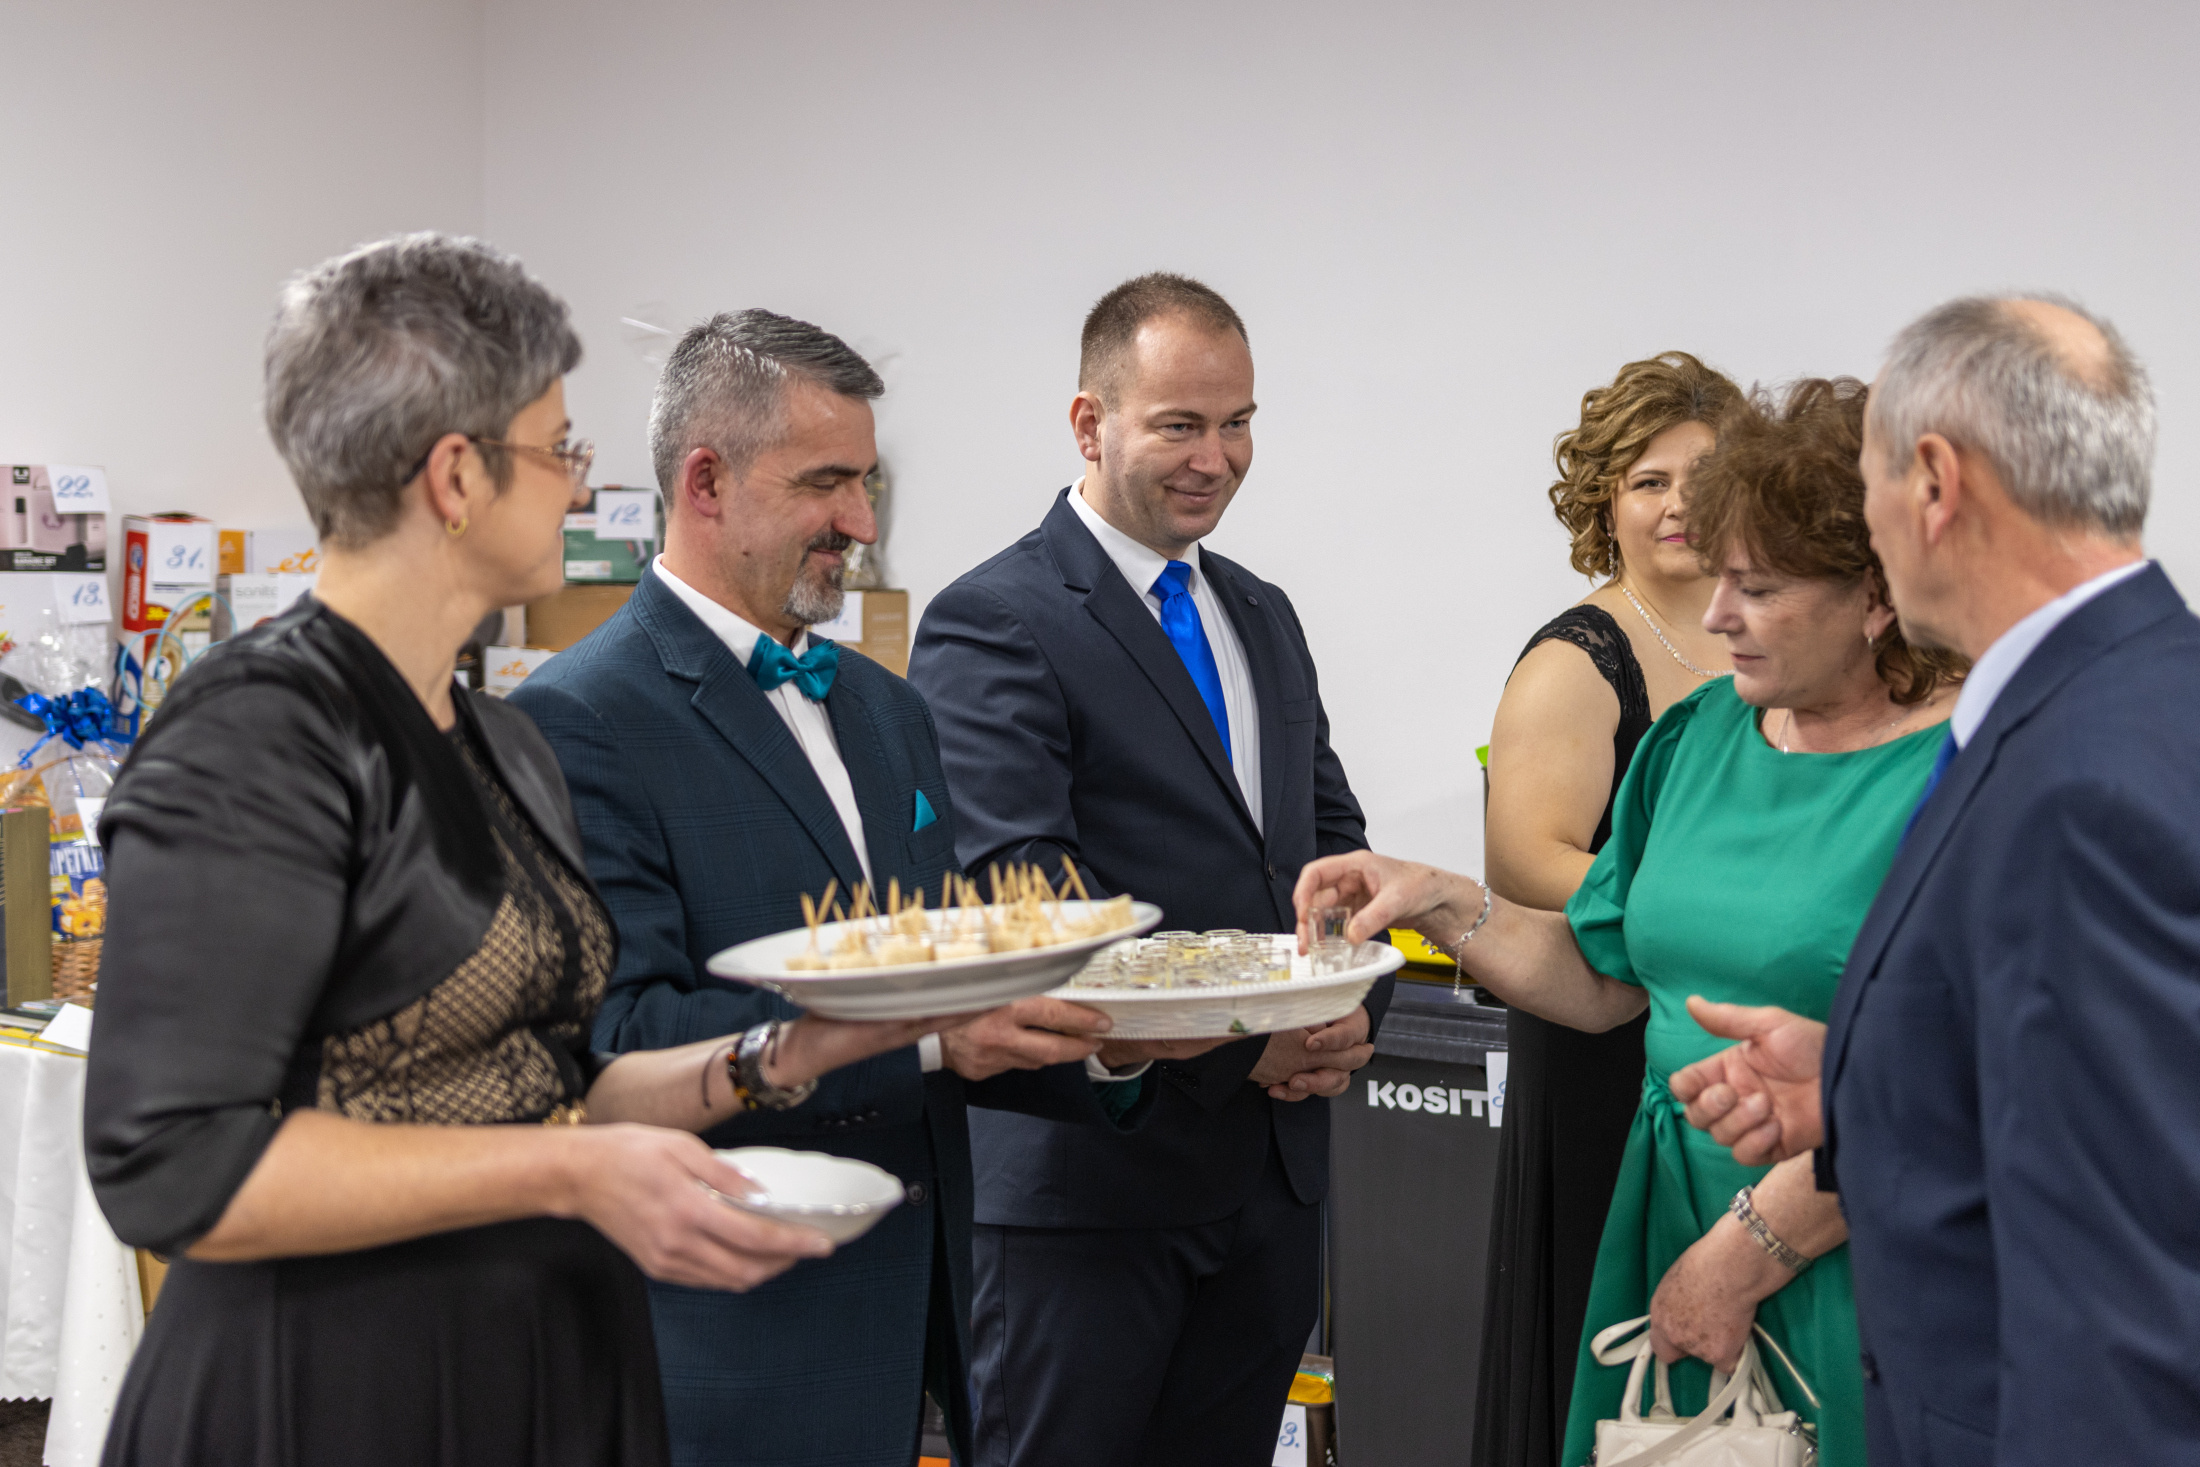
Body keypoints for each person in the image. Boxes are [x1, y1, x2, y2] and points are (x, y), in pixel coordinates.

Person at [83, 235, 966, 1467]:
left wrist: (794, 1049)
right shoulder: (258, 731)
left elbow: (558, 1080)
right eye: (560, 452)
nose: (580, 490)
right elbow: (171, 1161)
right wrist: (565, 1177)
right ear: (456, 476)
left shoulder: (498, 738)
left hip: (521, 1366)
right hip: (333, 1387)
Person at [1292, 377, 1965, 1467]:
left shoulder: (1968, 773)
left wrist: (1745, 1255)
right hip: (1671, 1213)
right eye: (1721, 577)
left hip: (1851, 1237)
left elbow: (1959, 1076)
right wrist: (1439, 899)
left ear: (1875, 594)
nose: (1718, 615)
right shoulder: (1697, 738)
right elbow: (1604, 978)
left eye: (1758, 587)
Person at [510, 309, 1118, 1467]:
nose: (863, 522)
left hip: (919, 1314)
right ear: (706, 482)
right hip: (730, 1341)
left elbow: (945, 978)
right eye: (825, 484)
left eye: (865, 482)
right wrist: (927, 1042)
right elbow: (623, 1040)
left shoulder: (889, 708)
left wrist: (1114, 1040)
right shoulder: (577, 717)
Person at [1670, 297, 2196, 1467]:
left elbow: (2127, 1260)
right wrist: (1861, 1078)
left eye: (1866, 487)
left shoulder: (2085, 778)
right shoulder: (2107, 697)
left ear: (1934, 483)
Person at [908, 272, 1389, 1467]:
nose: (1215, 459)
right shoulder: (996, 618)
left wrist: (1342, 1009)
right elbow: (1027, 892)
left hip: (1268, 1187)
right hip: (1090, 1193)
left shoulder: (1261, 614)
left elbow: (1329, 850)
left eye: (1238, 423)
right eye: (1180, 424)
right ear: (1090, 424)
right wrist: (1242, 1040)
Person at [1476, 351, 1740, 1467]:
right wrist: (1688, 915)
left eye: (1703, 478)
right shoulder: (1576, 658)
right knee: (1617, 1327)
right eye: (1647, 481)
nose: (1678, 505)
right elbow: (1523, 857)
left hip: (1722, 1035)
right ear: (1603, 500)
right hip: (1605, 1038)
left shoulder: (1763, 633)